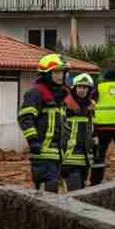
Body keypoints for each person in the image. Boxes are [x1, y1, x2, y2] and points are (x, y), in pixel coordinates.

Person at [19, 53, 70, 192]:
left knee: (56, 193)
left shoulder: (60, 95)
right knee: (46, 194)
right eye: (57, 72)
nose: (61, 76)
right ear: (46, 74)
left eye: (63, 72)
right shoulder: (36, 93)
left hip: (58, 154)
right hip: (43, 153)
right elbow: (25, 117)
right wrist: (33, 141)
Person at [61, 73, 97, 191]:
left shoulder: (91, 106)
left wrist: (95, 144)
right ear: (74, 88)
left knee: (81, 190)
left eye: (85, 87)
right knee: (75, 191)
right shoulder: (66, 104)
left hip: (85, 157)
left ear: (89, 89)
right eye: (79, 87)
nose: (82, 90)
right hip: (69, 156)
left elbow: (93, 128)